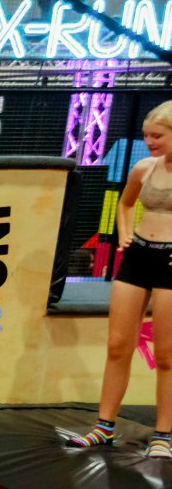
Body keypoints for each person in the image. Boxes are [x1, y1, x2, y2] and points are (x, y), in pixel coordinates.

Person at [64, 100, 172, 458]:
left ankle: (164, 435)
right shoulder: (144, 167)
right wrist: (125, 235)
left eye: (157, 135)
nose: (150, 141)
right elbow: (125, 204)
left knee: (167, 354)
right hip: (139, 256)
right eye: (146, 135)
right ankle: (103, 426)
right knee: (117, 345)